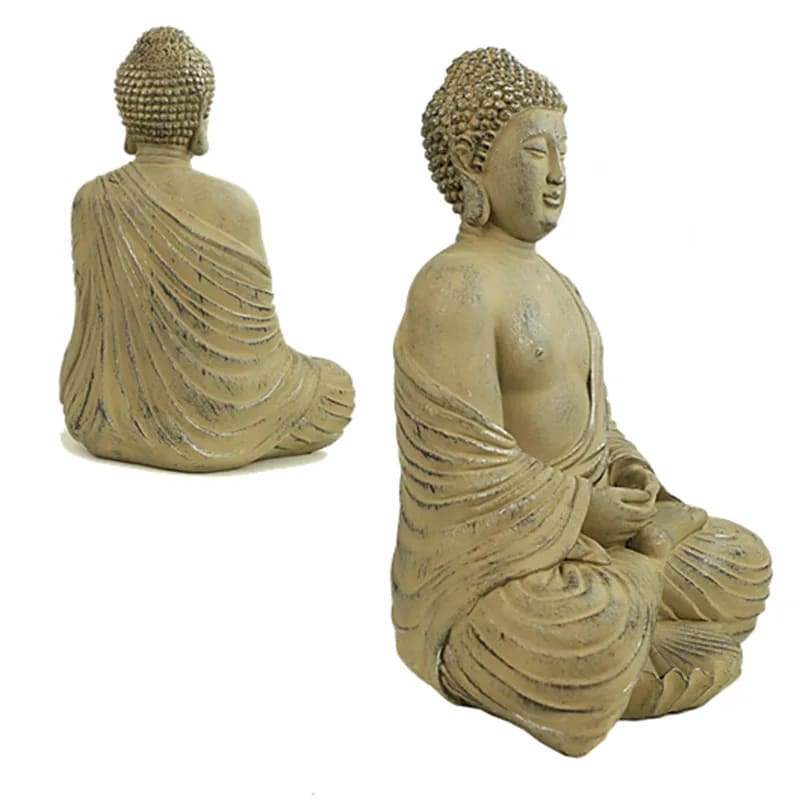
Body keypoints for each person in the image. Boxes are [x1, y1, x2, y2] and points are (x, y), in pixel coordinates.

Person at [391, 48, 771, 756]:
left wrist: (629, 474)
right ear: (473, 166)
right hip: (500, 571)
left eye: (564, 151)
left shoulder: (556, 283)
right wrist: (584, 511)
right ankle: (632, 615)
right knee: (586, 619)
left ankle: (636, 617)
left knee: (741, 559)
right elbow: (462, 473)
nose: (558, 173)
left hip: (594, 537)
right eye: (536, 152)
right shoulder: (453, 285)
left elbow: (594, 422)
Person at [60, 28, 353, 472]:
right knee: (336, 389)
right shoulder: (233, 205)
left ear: (128, 124)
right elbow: (258, 354)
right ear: (199, 122)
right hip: (221, 429)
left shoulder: (92, 199)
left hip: (99, 419)